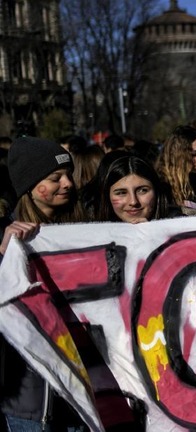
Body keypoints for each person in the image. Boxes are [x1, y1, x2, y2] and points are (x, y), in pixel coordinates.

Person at [1, 137, 87, 431]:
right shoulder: (5, 239)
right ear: (29, 187)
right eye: (54, 178)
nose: (67, 184)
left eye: (68, 175)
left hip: (82, 398)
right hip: (31, 404)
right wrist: (4, 257)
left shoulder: (86, 230)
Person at [94, 155, 178, 223]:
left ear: (156, 190)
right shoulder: (92, 235)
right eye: (121, 193)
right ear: (107, 196)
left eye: (142, 190)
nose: (133, 202)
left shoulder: (179, 223)